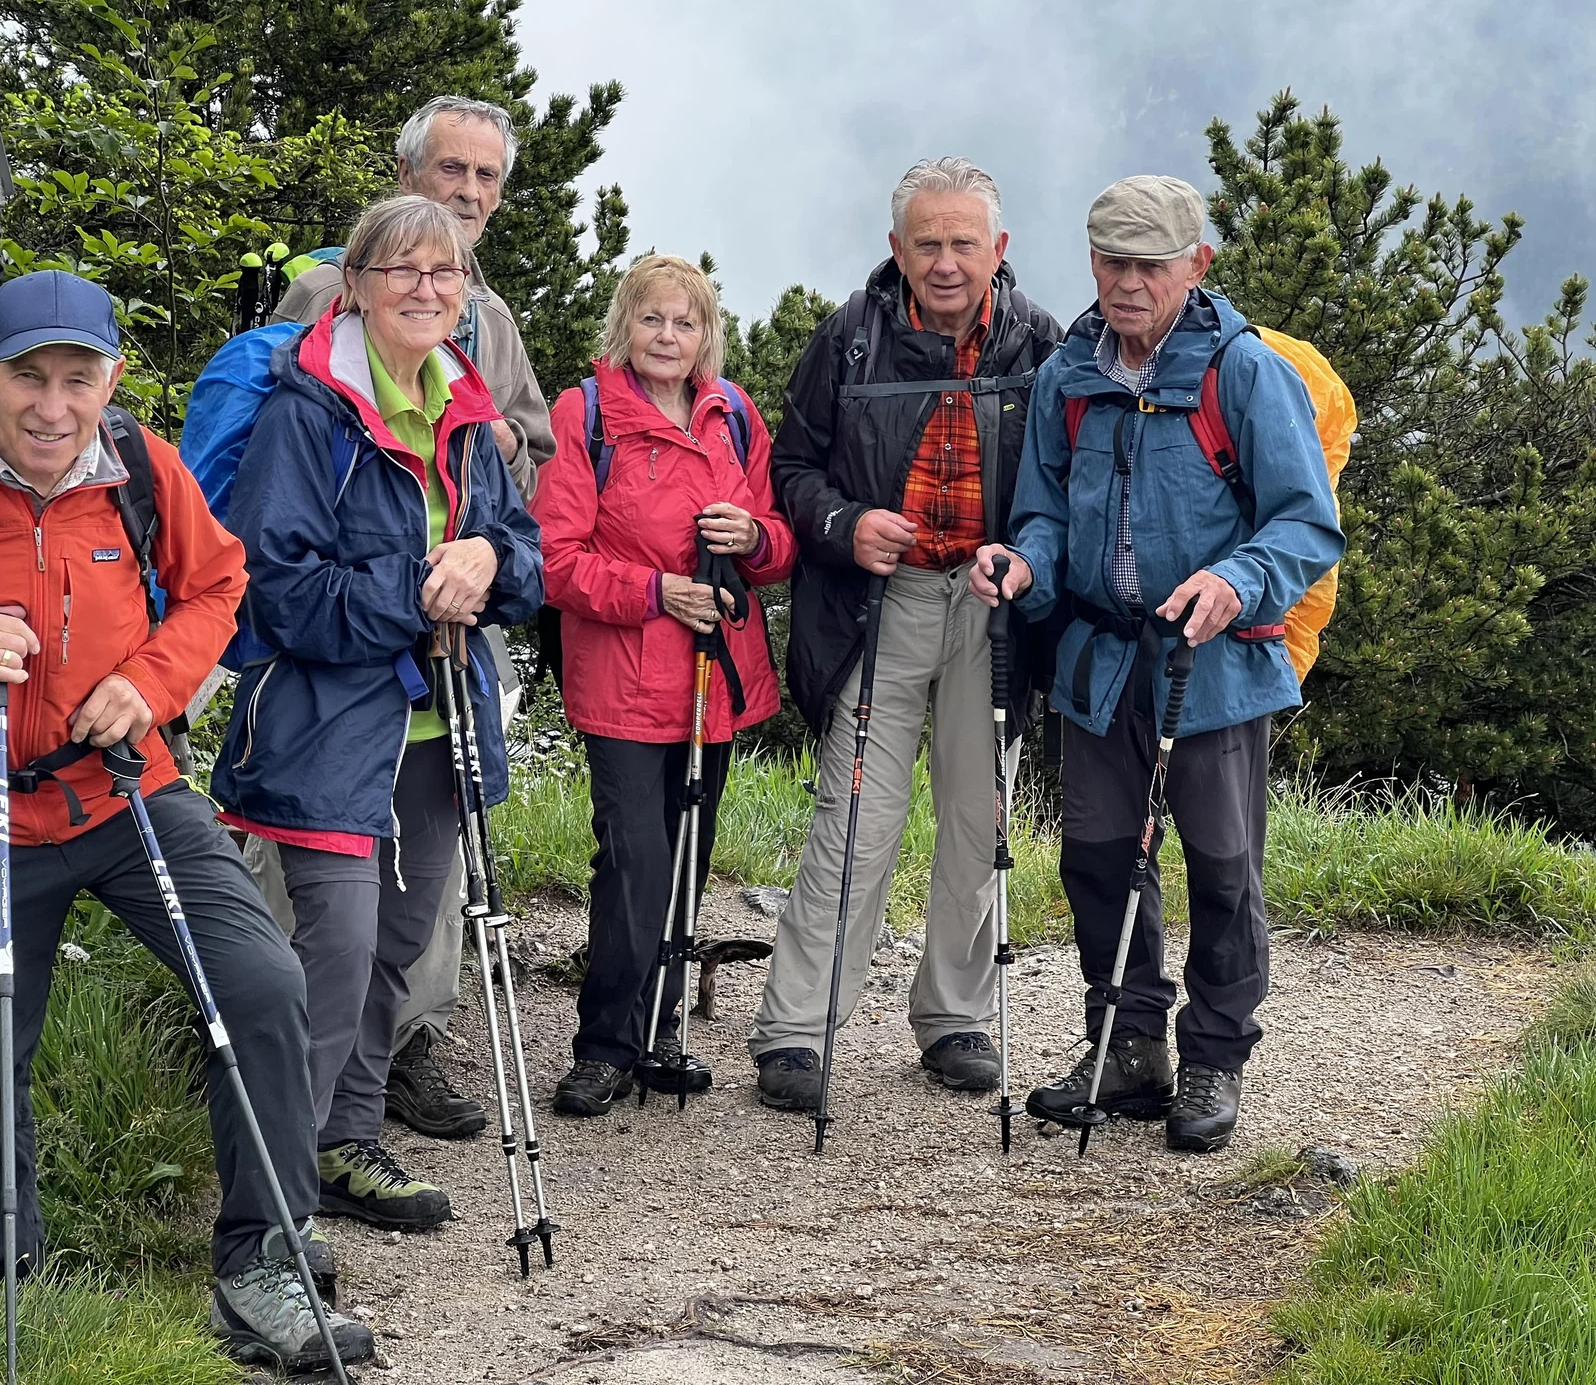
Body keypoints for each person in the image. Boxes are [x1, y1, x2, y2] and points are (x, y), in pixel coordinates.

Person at [0, 269, 371, 1372]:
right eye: (28, 376)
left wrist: (151, 680)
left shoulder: (143, 468)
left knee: (261, 984)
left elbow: (216, 587)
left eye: (77, 378)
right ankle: (9, 1287)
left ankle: (264, 1263)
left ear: (111, 379)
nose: (52, 406)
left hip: (126, 786)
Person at [970, 175, 1344, 1152]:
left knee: (1223, 870)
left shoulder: (1244, 373)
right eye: (1110, 261)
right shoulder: (1071, 375)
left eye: (1149, 264)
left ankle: (1214, 1057)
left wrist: (1239, 580)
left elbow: (1307, 521)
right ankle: (1130, 1050)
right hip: (1100, 662)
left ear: (1197, 264)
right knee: (1099, 860)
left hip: (1210, 669)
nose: (1127, 282)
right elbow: (1045, 511)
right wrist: (1024, 563)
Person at [210, 195, 543, 1228]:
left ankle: (347, 1146)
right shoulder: (311, 412)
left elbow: (525, 558)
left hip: (442, 727)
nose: (427, 290)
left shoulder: (468, 408)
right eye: (401, 271)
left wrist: (490, 557)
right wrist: (418, 590)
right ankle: (272, 1206)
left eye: (445, 274)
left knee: (395, 951)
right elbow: (279, 587)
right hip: (322, 727)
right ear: (352, 286)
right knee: (335, 952)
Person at [749, 158, 1063, 1113]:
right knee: (857, 819)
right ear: (896, 248)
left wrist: (1027, 554)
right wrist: (847, 527)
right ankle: (799, 1030)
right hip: (878, 604)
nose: (945, 261)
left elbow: (1069, 483)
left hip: (991, 605)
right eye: (926, 241)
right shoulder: (850, 337)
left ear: (998, 250)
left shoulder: (1043, 346)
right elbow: (791, 469)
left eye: (964, 242)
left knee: (980, 818)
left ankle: (955, 1017)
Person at [270, 94, 553, 1140]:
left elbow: (530, 470)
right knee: (329, 927)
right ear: (406, 174)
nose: (469, 193)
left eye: (487, 178)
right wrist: (416, 580)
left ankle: (377, 1094)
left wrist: (486, 537)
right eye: (451, 169)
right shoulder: (317, 301)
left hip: (446, 671)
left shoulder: (491, 326)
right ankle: (290, 1158)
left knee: (407, 914)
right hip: (337, 680)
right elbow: (287, 509)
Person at [530, 255, 796, 1115]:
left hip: (709, 678)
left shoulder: (734, 414)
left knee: (686, 860)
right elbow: (554, 559)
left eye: (685, 322)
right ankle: (605, 1043)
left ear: (707, 332)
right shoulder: (589, 415)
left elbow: (781, 546)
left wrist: (753, 535)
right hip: (622, 677)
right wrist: (655, 591)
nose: (668, 337)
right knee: (636, 860)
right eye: (652, 320)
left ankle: (660, 1031)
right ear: (625, 326)